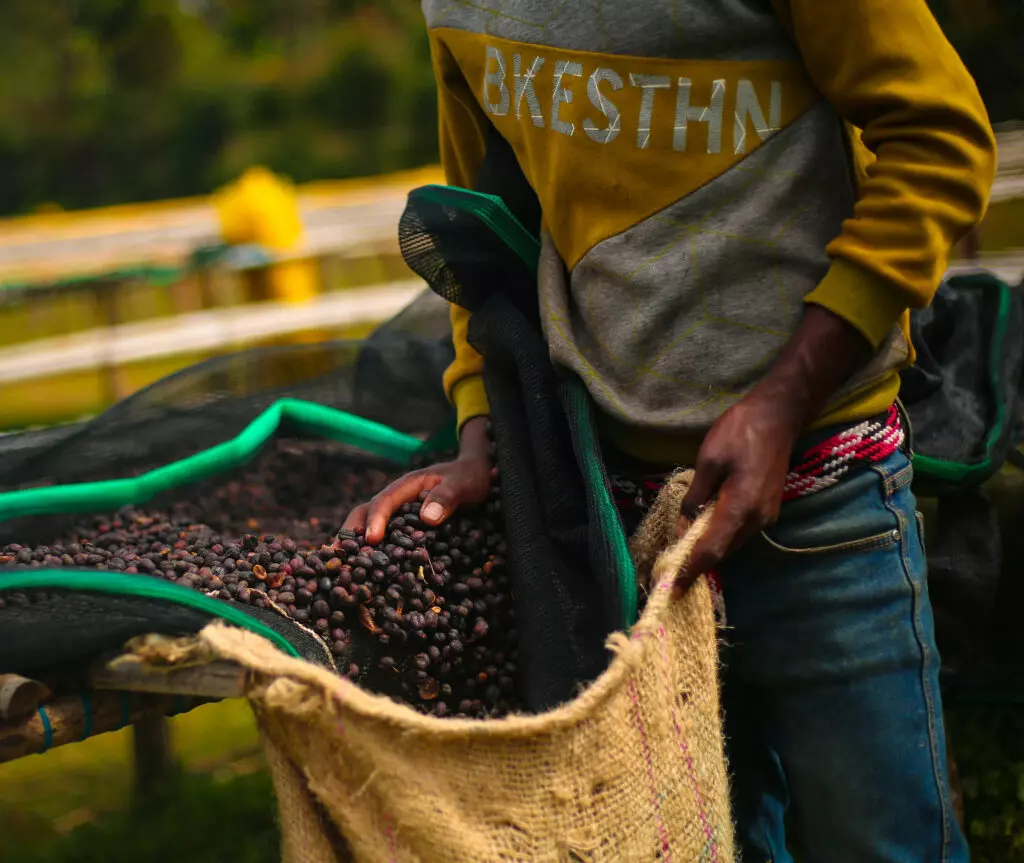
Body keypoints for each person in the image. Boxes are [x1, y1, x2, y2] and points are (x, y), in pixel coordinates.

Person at [344, 1, 996, 859]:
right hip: (625, 538)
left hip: (822, 503)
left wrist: (783, 399)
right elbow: (487, 236)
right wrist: (480, 439)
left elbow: (942, 139)